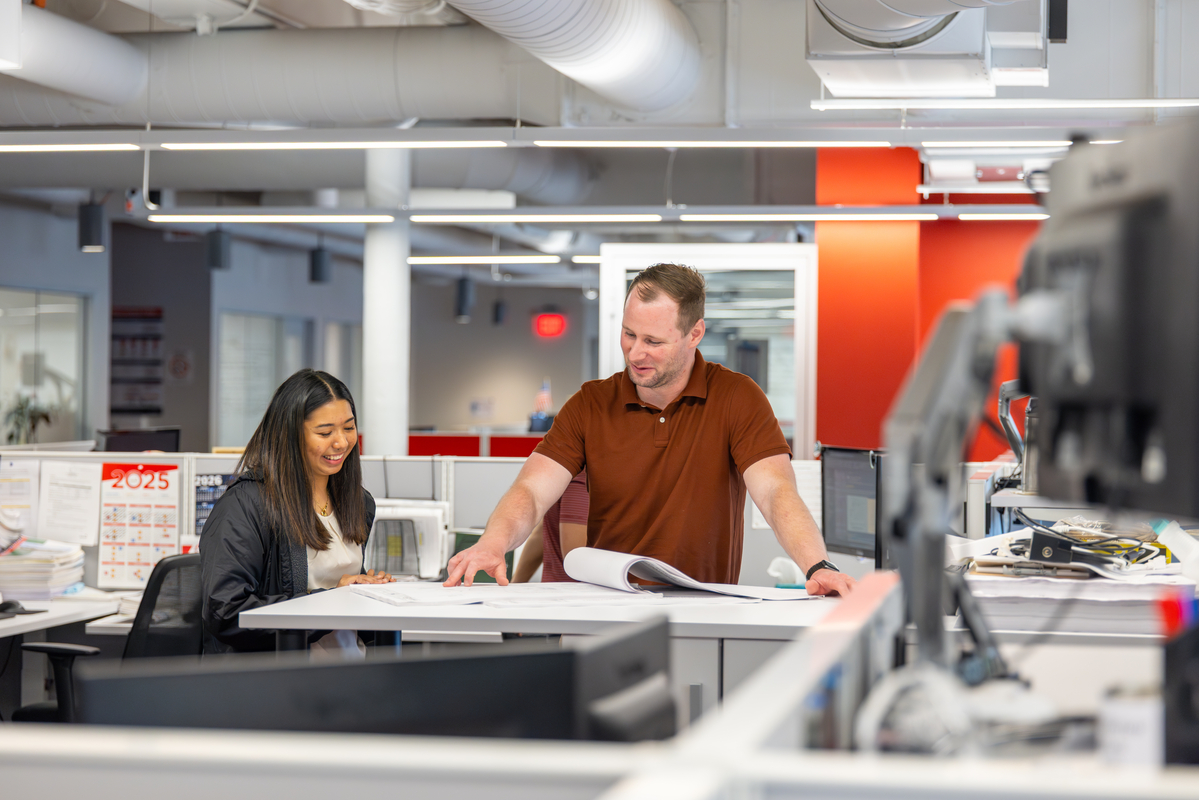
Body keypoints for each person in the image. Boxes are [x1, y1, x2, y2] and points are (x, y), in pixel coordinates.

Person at [446, 264, 855, 597]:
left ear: (695, 334)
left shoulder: (737, 397)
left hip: (702, 609)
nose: (636, 352)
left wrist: (816, 565)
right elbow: (533, 491)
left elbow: (775, 491)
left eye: (654, 341)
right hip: (604, 608)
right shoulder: (591, 403)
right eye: (629, 334)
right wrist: (492, 544)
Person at [200, 369, 393, 654]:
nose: (341, 442)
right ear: (289, 435)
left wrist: (369, 592)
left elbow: (342, 593)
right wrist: (333, 601)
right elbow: (226, 612)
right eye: (325, 432)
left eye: (349, 428)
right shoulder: (247, 504)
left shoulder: (357, 502)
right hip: (285, 676)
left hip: (350, 671)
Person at [511, 469, 589, 583]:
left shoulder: (568, 475)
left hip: (559, 588)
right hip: (577, 591)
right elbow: (575, 558)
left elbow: (542, 532)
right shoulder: (584, 477)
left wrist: (516, 583)